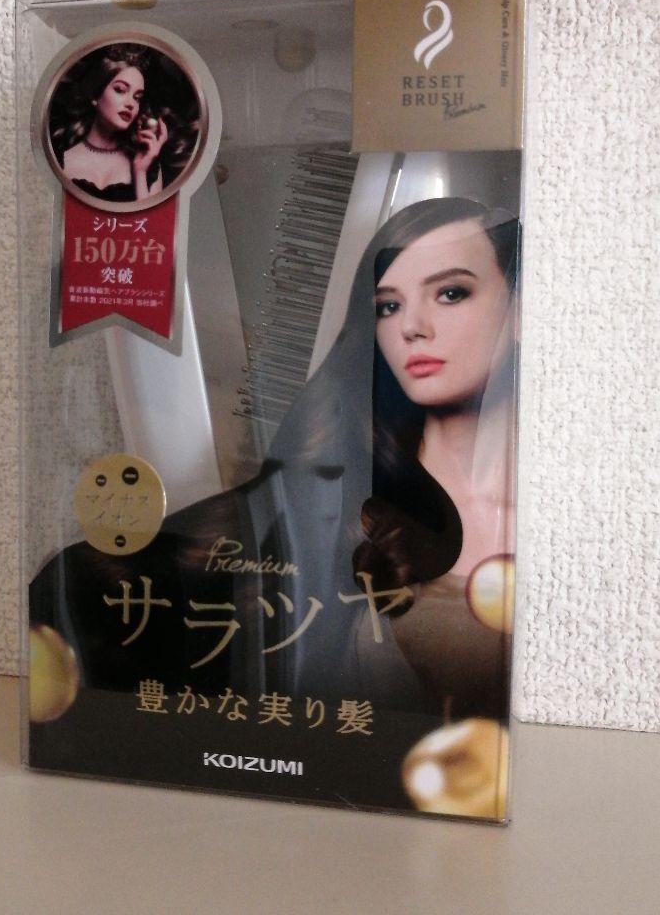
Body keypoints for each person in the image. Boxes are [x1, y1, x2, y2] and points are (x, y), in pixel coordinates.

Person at [29, 196, 518, 721]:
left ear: (519, 310)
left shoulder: (547, 518)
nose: (412, 327)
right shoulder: (328, 507)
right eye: (388, 306)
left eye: (450, 293)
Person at [49, 44, 170, 203]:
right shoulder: (59, 158)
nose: (131, 104)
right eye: (120, 90)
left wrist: (140, 172)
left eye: (137, 97)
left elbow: (150, 219)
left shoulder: (149, 168)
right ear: (96, 95)